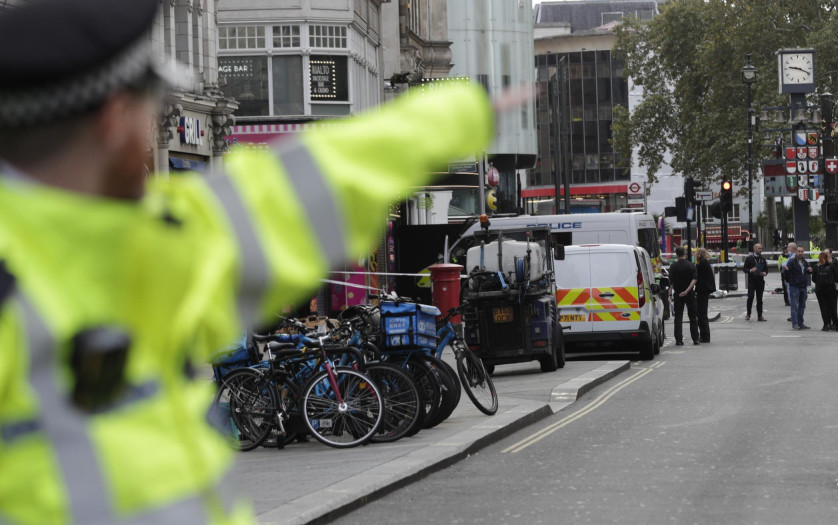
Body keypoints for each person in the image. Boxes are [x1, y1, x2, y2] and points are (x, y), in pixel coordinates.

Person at [0, 1, 504, 522]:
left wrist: (455, 113)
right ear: (113, 120)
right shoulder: (151, 246)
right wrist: (461, 111)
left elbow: (289, 193)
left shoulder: (140, 241)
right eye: (149, 105)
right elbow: (306, 189)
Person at [668, 246, 699, 345]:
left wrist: (670, 294)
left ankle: (678, 340)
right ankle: (695, 338)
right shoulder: (691, 265)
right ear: (684, 252)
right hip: (689, 294)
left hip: (677, 294)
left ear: (676, 254)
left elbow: (671, 283)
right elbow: (694, 280)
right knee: (693, 317)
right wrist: (686, 291)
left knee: (678, 317)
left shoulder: (673, 267)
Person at [814, 249, 838, 332]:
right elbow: (837, 276)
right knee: (832, 307)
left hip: (820, 290)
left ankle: (826, 325)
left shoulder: (816, 266)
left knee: (823, 308)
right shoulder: (831, 266)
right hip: (831, 289)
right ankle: (836, 324)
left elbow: (813, 279)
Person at [784, 244, 813, 330]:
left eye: (802, 251)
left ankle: (801, 323)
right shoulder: (792, 261)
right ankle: (795, 323)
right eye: (799, 251)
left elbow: (808, 272)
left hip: (803, 286)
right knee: (794, 306)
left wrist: (810, 270)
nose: (800, 253)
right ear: (796, 251)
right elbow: (786, 273)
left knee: (802, 306)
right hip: (794, 286)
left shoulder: (804, 262)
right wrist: (787, 272)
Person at [694, 248, 715, 343]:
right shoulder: (705, 263)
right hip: (705, 290)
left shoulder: (701, 264)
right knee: (702, 313)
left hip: (702, 290)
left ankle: (705, 336)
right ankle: (705, 336)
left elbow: (695, 276)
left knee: (701, 314)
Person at [743, 243, 769, 321]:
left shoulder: (763, 259)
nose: (760, 250)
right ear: (755, 249)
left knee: (760, 299)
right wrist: (751, 270)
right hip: (752, 281)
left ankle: (760, 316)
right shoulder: (749, 258)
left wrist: (764, 273)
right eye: (759, 248)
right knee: (750, 297)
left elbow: (766, 270)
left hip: (760, 281)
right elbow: (744, 269)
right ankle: (748, 314)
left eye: (761, 248)